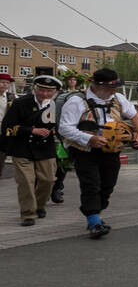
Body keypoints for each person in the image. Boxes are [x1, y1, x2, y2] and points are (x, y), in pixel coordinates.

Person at [58, 67, 138, 238]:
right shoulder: (76, 102)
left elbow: (135, 116)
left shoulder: (118, 98)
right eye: (110, 88)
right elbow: (64, 128)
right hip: (85, 150)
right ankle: (94, 222)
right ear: (96, 86)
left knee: (107, 185)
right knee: (91, 185)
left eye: (115, 87)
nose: (114, 91)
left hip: (112, 150)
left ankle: (96, 213)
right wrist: (89, 138)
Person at [2, 74, 61, 225]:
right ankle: (28, 213)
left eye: (49, 91)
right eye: (41, 90)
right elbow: (7, 127)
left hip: (45, 148)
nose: (45, 94)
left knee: (48, 180)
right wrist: (31, 130)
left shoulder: (55, 105)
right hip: (22, 148)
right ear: (35, 88)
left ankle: (39, 206)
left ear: (55, 91)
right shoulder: (20, 103)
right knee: (26, 182)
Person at [50, 72, 84, 204]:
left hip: (65, 136)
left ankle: (56, 188)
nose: (72, 81)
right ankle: (48, 188)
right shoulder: (59, 96)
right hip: (53, 134)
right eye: (70, 79)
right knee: (48, 165)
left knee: (62, 164)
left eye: (74, 79)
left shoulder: (80, 95)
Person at [0, 72, 15, 180]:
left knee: (2, 153)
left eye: (6, 83)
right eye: (2, 82)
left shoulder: (12, 97)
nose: (4, 85)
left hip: (4, 130)